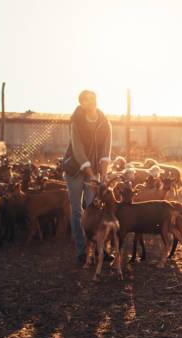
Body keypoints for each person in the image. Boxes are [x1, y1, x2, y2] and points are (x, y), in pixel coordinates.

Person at [63, 90, 112, 264]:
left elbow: (106, 151)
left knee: (94, 209)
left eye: (93, 99)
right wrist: (91, 175)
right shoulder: (76, 121)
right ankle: (82, 250)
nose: (90, 102)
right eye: (86, 100)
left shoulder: (104, 122)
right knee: (77, 210)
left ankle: (100, 248)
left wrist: (103, 176)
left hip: (94, 171)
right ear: (81, 103)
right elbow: (78, 150)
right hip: (75, 169)